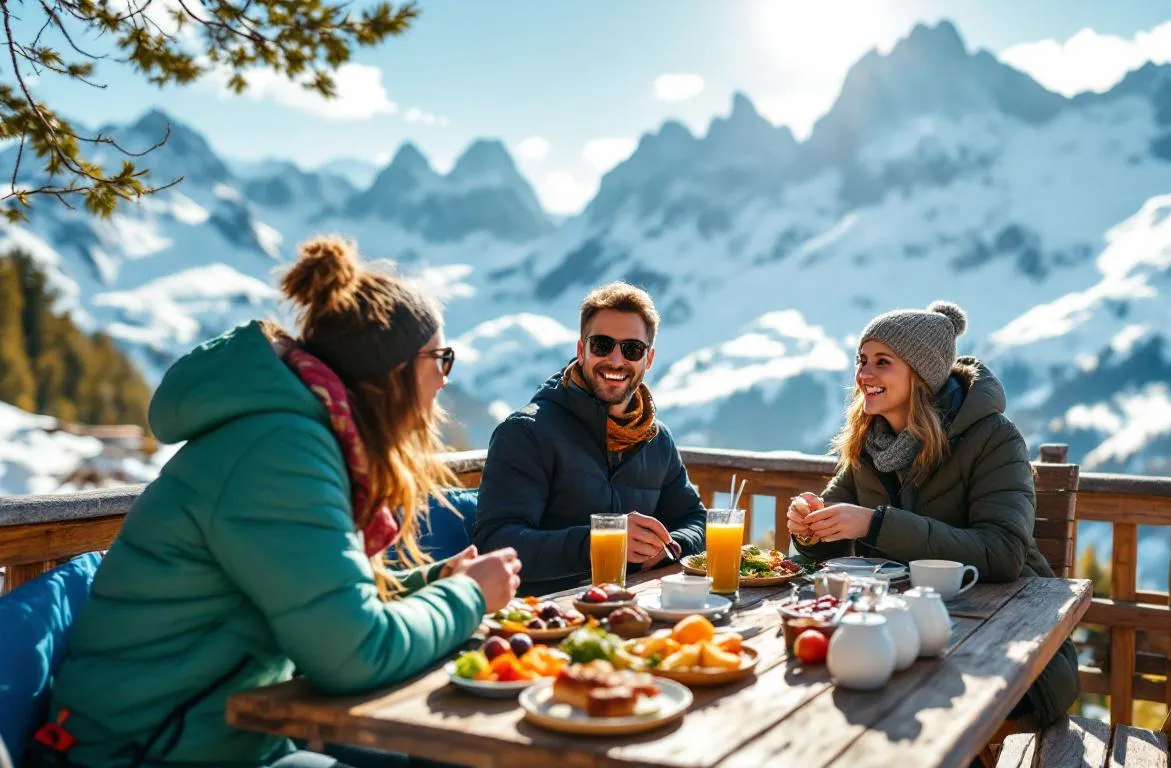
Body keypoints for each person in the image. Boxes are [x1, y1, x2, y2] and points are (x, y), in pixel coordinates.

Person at [40, 236, 521, 768]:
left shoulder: (299, 437)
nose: (445, 379)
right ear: (392, 374)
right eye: (439, 358)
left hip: (212, 732)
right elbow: (353, 654)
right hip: (138, 749)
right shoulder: (282, 454)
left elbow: (323, 601)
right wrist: (468, 598)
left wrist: (434, 582)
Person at [787, 300, 1079, 731]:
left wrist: (875, 524)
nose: (864, 375)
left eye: (882, 363)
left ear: (920, 375)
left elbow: (1002, 553)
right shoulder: (872, 439)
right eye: (861, 361)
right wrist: (809, 526)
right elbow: (833, 520)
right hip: (899, 635)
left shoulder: (994, 438)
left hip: (1004, 645)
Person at [475, 282, 706, 595]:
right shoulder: (526, 432)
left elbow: (696, 520)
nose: (615, 360)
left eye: (632, 349)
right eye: (601, 344)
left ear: (648, 360)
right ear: (581, 350)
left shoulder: (657, 439)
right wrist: (601, 541)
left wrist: (670, 546)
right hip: (546, 620)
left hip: (636, 609)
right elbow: (496, 543)